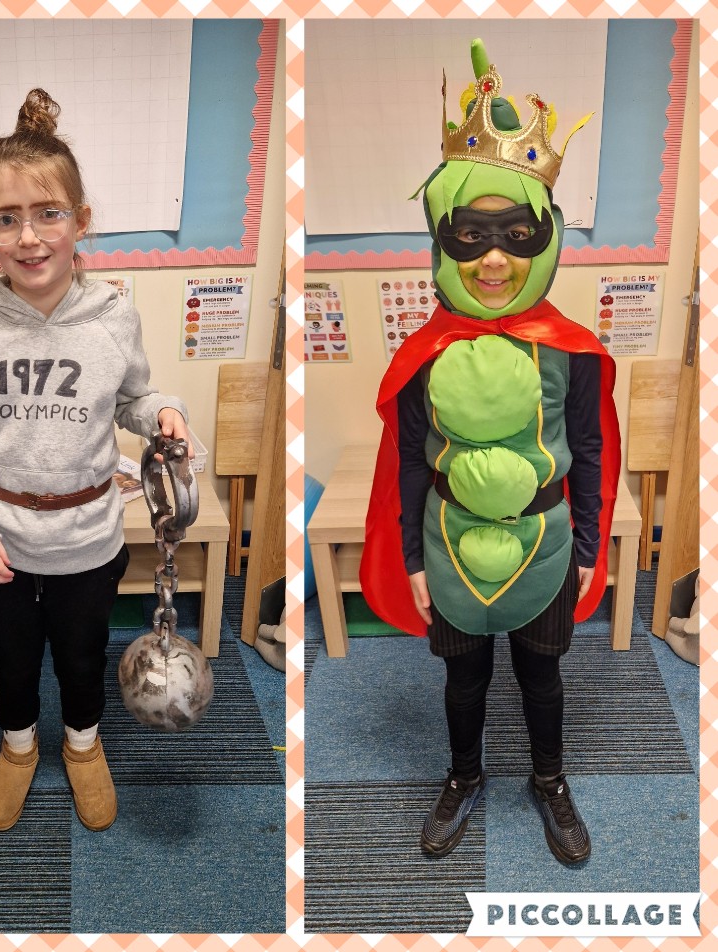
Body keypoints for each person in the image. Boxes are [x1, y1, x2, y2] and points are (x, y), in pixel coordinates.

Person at [360, 43, 620, 865]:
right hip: (448, 541)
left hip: (545, 542)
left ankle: (548, 780)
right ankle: (463, 775)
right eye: (471, 236)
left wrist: (587, 546)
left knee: (542, 675)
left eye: (515, 235)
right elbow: (409, 460)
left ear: (544, 237)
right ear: (443, 238)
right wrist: (410, 557)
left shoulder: (570, 349)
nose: (495, 258)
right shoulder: (424, 352)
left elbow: (587, 450)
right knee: (462, 677)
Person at [0, 89, 192, 832]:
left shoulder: (112, 315)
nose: (29, 237)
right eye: (5, 219)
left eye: (48, 214)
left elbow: (131, 398)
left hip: (87, 540)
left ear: (81, 220)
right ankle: (18, 749)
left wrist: (162, 411)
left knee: (81, 658)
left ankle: (82, 745)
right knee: (11, 662)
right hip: (0, 542)